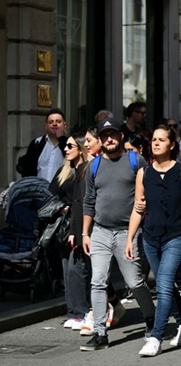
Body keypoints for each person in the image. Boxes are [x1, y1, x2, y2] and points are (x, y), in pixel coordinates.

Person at [80, 117, 155, 351]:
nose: (109, 139)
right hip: (100, 231)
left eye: (113, 134)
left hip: (127, 233)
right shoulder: (94, 166)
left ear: (121, 136)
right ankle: (100, 333)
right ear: (100, 140)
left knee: (135, 282)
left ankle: (152, 318)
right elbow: (89, 201)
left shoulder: (135, 160)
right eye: (105, 135)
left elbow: (148, 193)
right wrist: (85, 233)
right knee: (98, 282)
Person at [126, 125, 181, 356]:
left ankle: (156, 337)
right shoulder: (144, 173)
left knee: (164, 285)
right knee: (166, 286)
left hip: (176, 237)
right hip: (150, 239)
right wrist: (130, 238)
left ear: (172, 144)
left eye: (161, 140)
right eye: (154, 139)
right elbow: (138, 208)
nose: (156, 143)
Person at [50, 133, 88, 330]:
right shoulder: (64, 170)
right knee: (67, 271)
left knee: (76, 270)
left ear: (80, 149)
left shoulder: (86, 170)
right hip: (64, 228)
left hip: (80, 226)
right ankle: (72, 312)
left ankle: (81, 312)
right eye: (66, 146)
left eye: (70, 146)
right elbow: (51, 194)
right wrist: (59, 207)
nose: (65, 149)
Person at [17, 108, 68, 181]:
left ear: (65, 125)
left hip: (61, 188)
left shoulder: (70, 145)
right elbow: (28, 171)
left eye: (58, 121)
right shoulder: (36, 143)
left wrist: (61, 138)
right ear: (46, 126)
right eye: (51, 122)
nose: (54, 124)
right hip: (39, 187)